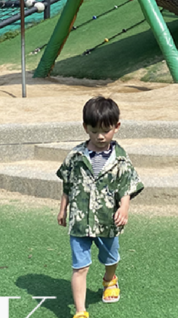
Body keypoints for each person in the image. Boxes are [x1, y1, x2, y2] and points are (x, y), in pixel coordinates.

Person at [56, 96, 144, 318]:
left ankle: (109, 279)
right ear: (86, 127)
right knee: (80, 267)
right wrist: (63, 208)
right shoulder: (75, 156)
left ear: (116, 127)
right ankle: (80, 311)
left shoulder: (122, 160)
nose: (100, 136)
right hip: (79, 222)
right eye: (94, 130)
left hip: (107, 221)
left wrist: (124, 209)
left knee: (110, 258)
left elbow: (126, 187)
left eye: (106, 130)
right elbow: (68, 184)